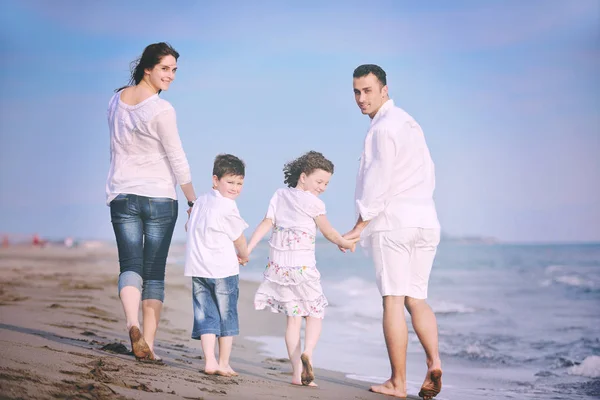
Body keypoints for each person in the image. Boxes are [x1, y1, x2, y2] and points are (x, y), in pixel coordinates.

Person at [342, 64, 442, 399]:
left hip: (394, 223)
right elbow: (429, 171)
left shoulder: (382, 128)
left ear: (384, 89)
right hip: (426, 220)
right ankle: (434, 362)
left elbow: (378, 181)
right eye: (356, 91)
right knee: (417, 298)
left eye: (368, 90)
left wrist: (359, 226)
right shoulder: (410, 123)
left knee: (393, 300)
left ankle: (398, 383)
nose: (361, 98)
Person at [106, 42, 197, 362]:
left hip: (122, 193)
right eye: (164, 69)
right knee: (154, 272)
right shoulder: (161, 109)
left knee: (129, 265)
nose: (170, 76)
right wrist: (192, 199)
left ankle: (131, 324)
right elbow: (177, 158)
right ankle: (148, 344)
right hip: (159, 196)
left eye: (174, 70)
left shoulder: (115, 100)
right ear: (147, 68)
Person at [247, 151, 358, 386]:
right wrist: (346, 242)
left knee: (293, 321)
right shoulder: (314, 202)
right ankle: (308, 352)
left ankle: (297, 374)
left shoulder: (279, 195)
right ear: (303, 176)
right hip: (303, 268)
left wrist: (247, 248)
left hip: (279, 267)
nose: (323, 187)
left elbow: (266, 223)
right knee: (315, 313)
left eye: (327, 183)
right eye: (319, 181)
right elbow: (328, 232)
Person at [184, 154, 249, 376]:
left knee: (205, 315)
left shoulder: (201, 201)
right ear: (215, 180)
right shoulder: (228, 206)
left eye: (239, 183)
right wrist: (244, 254)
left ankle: (209, 361)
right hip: (223, 270)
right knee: (226, 315)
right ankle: (223, 363)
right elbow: (238, 237)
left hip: (199, 268)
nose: (235, 188)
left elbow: (188, 227)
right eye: (230, 182)